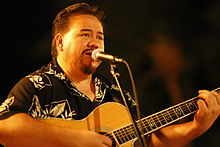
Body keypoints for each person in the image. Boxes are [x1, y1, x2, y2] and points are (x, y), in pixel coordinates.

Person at [0, 2, 219, 147]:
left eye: (100, 37)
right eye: (85, 34)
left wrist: (196, 126)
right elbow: (5, 127)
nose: (95, 42)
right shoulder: (38, 85)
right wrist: (78, 139)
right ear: (60, 42)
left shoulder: (113, 91)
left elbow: (147, 140)